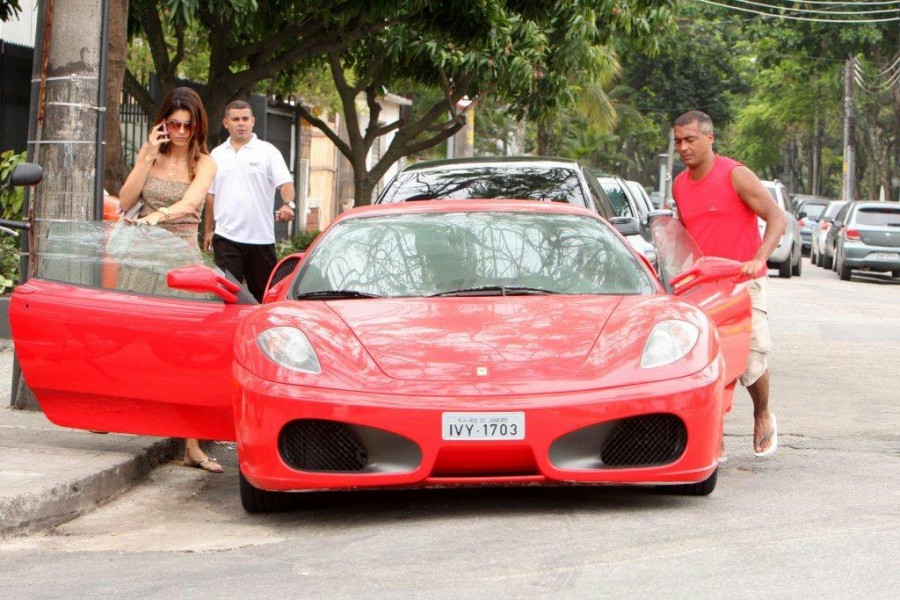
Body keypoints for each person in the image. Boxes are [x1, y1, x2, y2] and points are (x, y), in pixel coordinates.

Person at [117, 86, 224, 474]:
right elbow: (125, 200)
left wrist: (156, 217)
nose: (180, 131)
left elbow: (191, 203)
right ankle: (117, 413)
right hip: (144, 258)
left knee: (187, 352)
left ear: (197, 127)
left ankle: (191, 444)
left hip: (181, 257)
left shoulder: (205, 163)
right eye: (174, 124)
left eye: (187, 125)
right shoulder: (152, 154)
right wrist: (147, 155)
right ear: (163, 123)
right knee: (134, 342)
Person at [671, 110, 785, 459]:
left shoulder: (735, 174)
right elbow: (683, 236)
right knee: (706, 361)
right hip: (703, 287)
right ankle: (714, 434)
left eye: (690, 139)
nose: (683, 147)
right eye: (678, 141)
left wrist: (758, 259)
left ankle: (762, 413)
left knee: (750, 361)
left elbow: (777, 218)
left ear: (709, 138)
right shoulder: (679, 184)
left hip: (743, 282)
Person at [204, 100, 296, 302]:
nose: (241, 123)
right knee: (227, 298)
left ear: (253, 121)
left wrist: (288, 204)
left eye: (245, 119)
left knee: (264, 299)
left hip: (260, 240)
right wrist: (209, 230)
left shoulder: (268, 152)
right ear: (226, 123)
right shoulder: (216, 155)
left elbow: (286, 183)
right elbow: (211, 195)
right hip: (226, 238)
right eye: (235, 119)